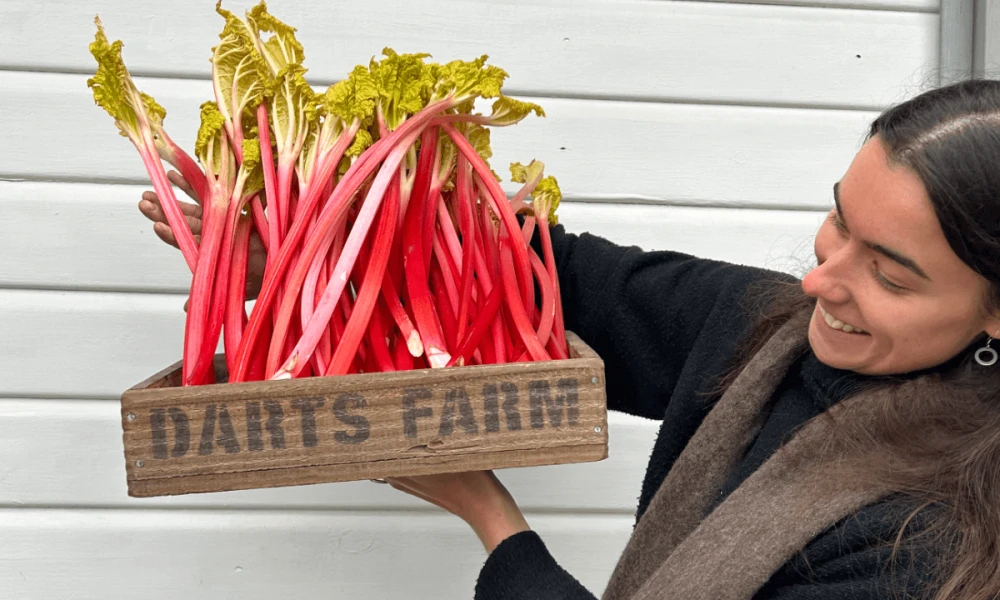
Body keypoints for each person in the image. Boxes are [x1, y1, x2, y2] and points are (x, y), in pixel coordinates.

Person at [139, 80, 1000, 600]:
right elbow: (575, 279)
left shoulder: (928, 543)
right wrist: (308, 237)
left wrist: (492, 519)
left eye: (889, 274)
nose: (820, 280)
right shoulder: (774, 330)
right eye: (837, 221)